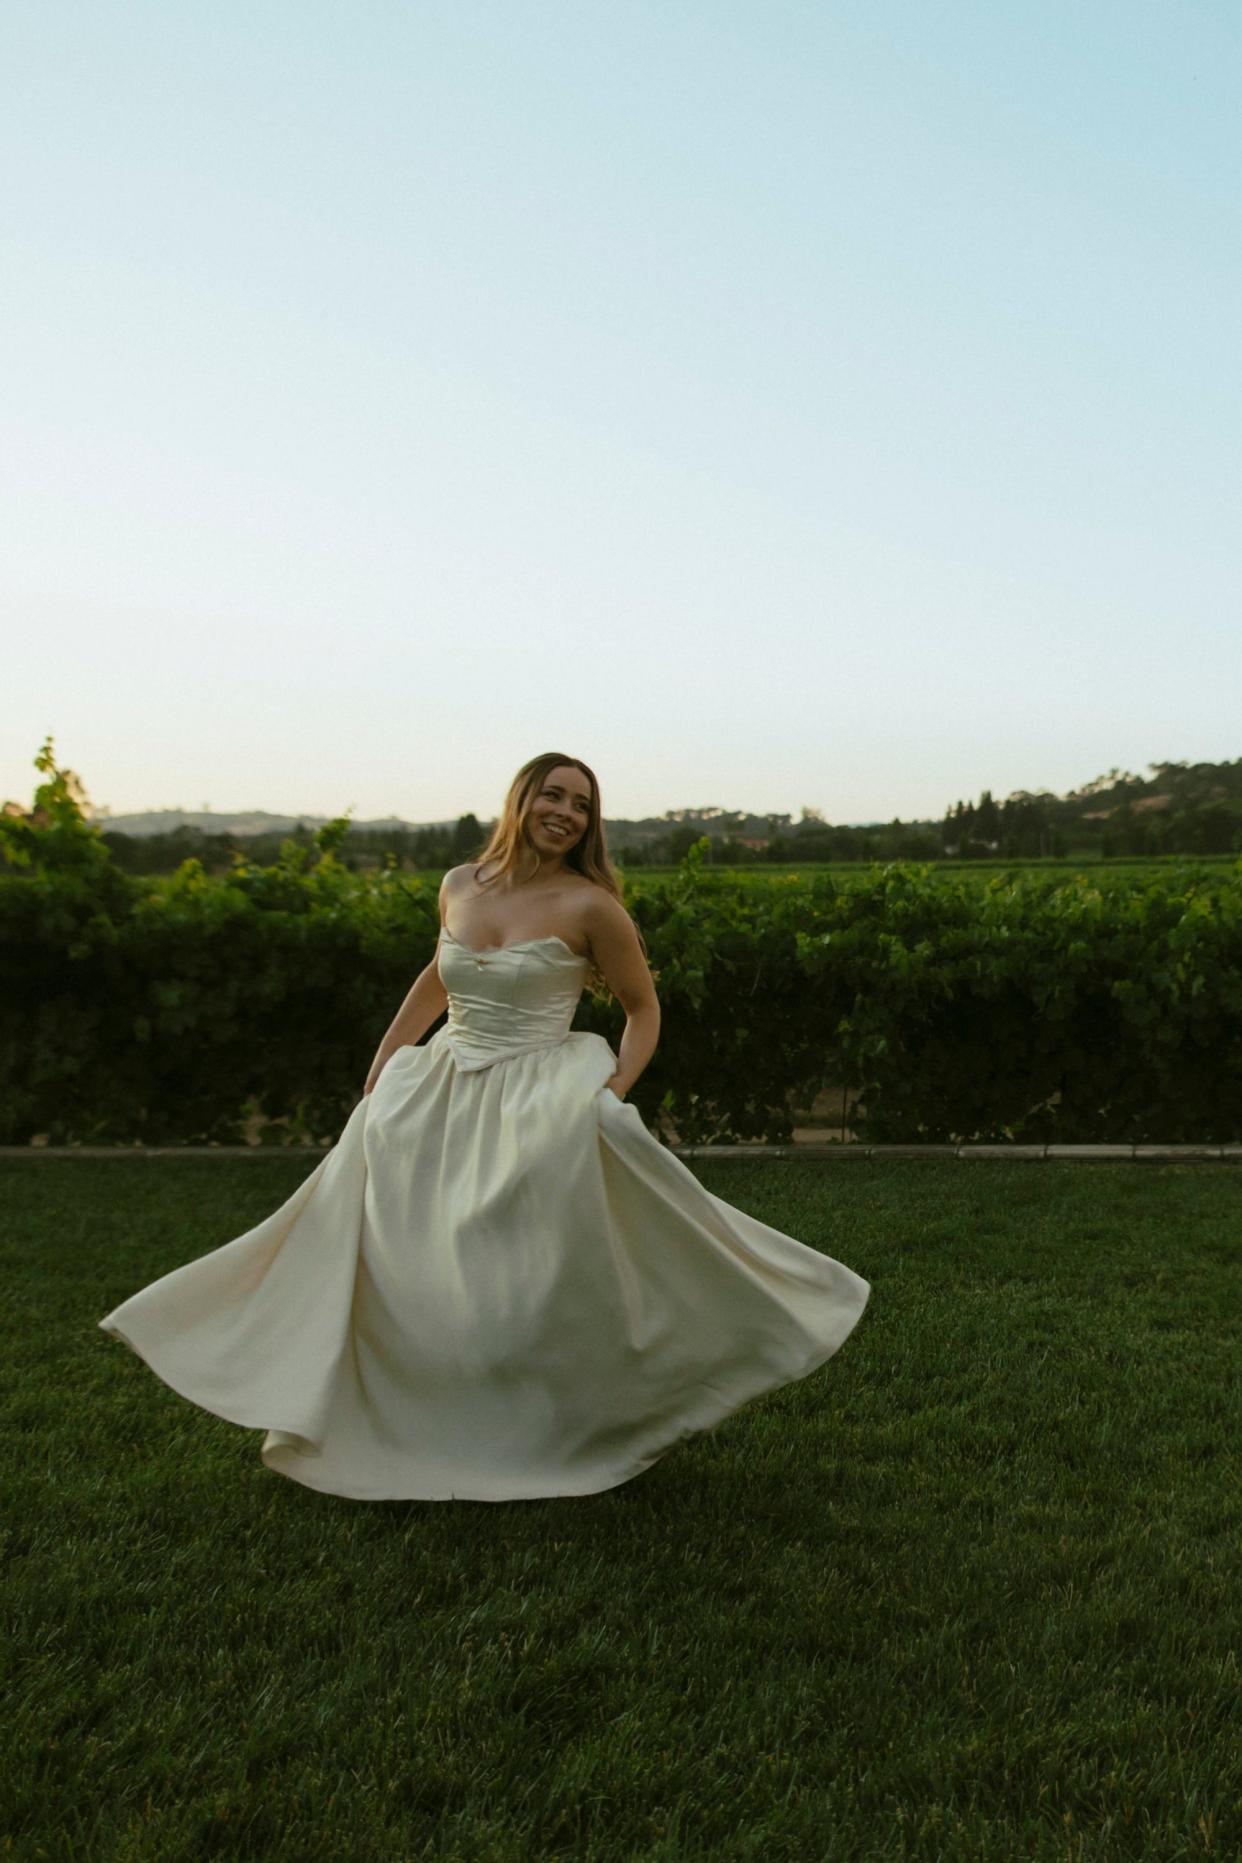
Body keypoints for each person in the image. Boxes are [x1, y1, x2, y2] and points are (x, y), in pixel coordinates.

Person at [99, 752, 870, 1501]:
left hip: (540, 1092)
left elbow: (643, 1009)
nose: (566, 813)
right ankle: (408, 1411)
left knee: (518, 1281)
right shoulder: (458, 884)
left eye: (581, 805)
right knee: (412, 1265)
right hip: (440, 1089)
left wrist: (612, 1089)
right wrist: (384, 1062)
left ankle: (552, 1420)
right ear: (521, 797)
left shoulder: (591, 905)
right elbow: (439, 973)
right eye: (555, 795)